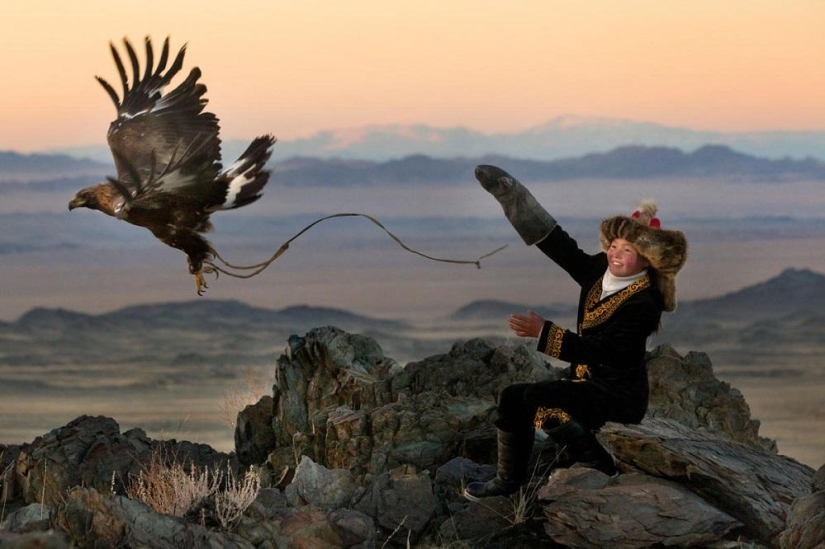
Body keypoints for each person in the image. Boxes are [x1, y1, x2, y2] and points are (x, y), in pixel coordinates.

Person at [464, 165, 687, 501]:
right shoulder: (598, 270)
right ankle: (508, 481)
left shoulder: (645, 302)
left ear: (647, 261)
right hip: (585, 385)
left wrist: (545, 334)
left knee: (543, 405)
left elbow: (604, 351)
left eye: (627, 251)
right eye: (614, 245)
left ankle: (600, 465)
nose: (615, 254)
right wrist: (512, 195)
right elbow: (557, 244)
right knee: (513, 397)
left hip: (618, 397)